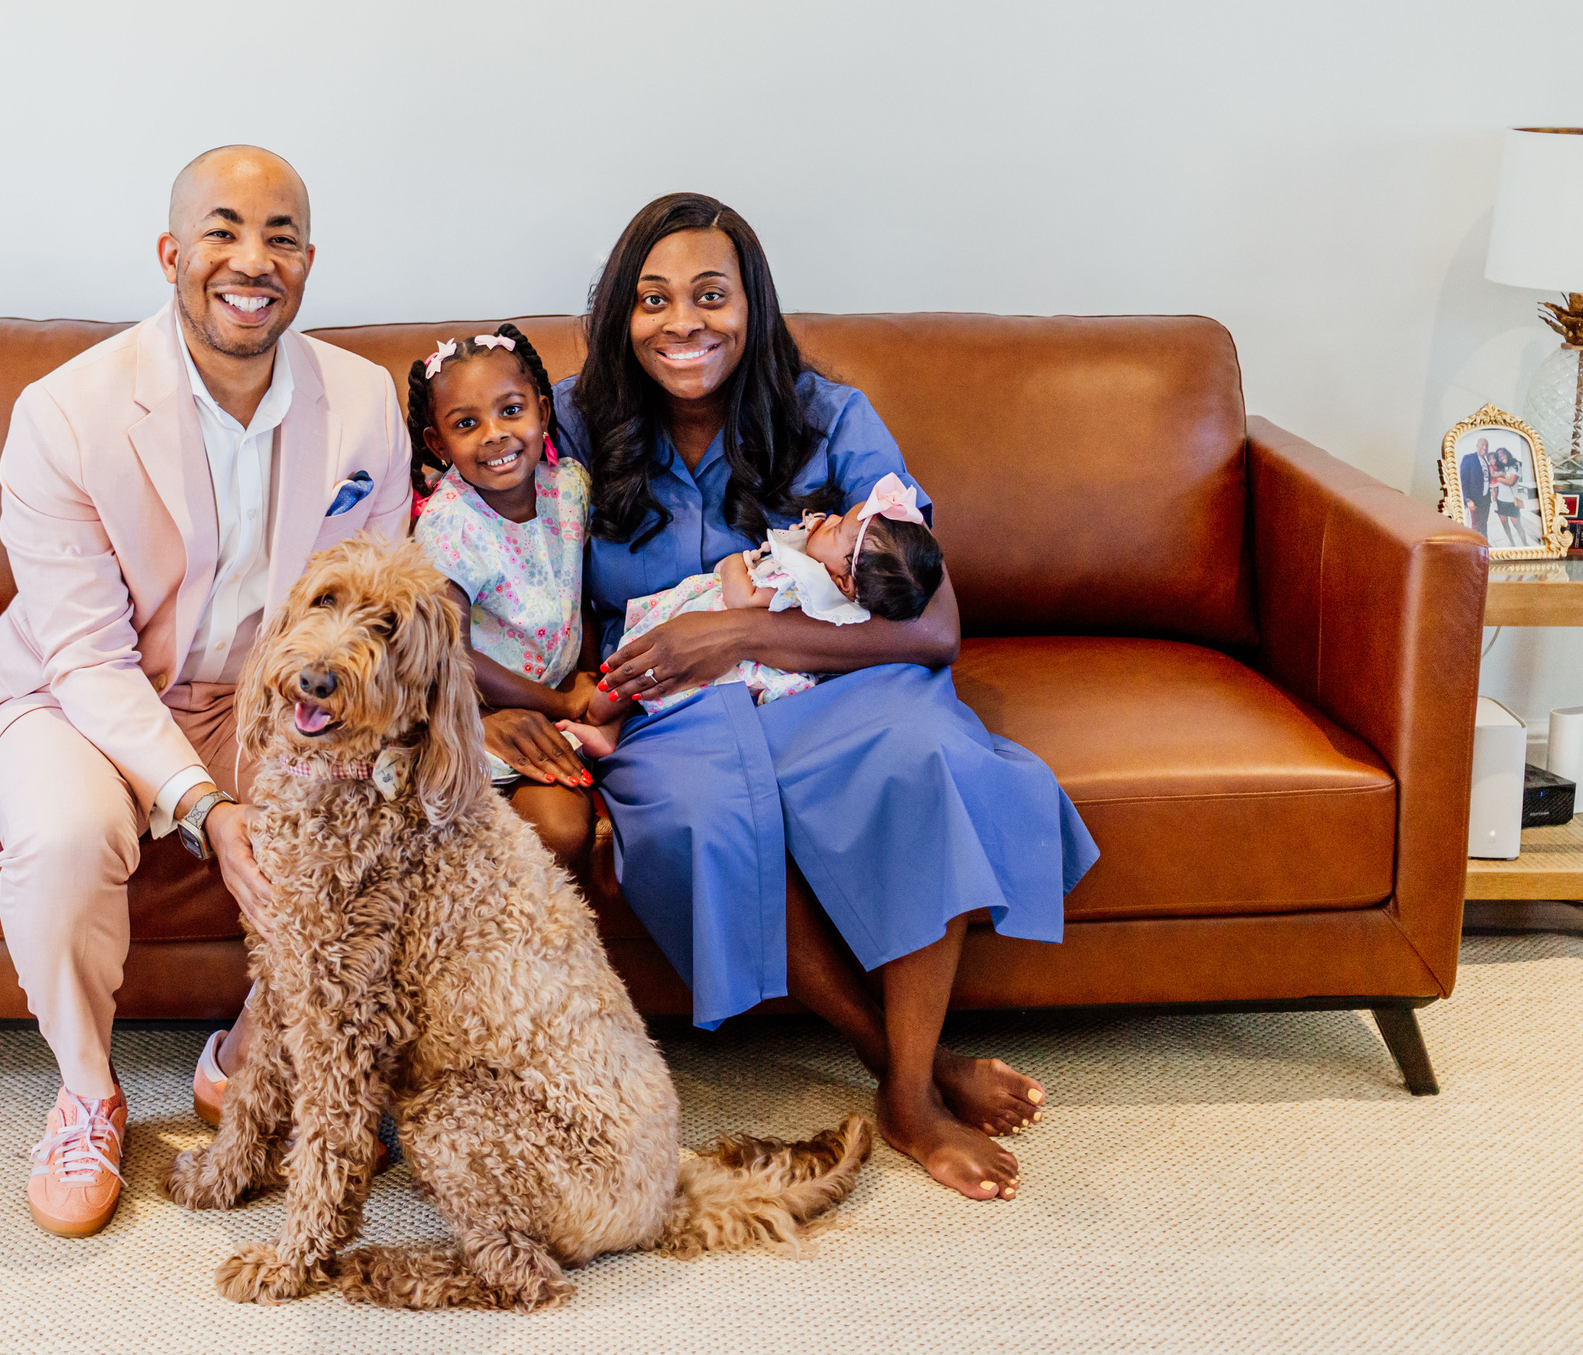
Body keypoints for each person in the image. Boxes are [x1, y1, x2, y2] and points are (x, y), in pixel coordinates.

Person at [554, 192, 1099, 1204]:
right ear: (620, 318)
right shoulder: (572, 421)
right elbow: (485, 543)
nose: (684, 323)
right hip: (672, 711)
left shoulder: (832, 417)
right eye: (654, 299)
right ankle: (904, 1066)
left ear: (752, 306)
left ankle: (909, 1092)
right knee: (692, 824)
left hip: (830, 678)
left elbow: (933, 624)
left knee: (923, 757)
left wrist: (739, 627)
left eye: (711, 295)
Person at [0, 145, 411, 1238]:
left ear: (308, 261)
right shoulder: (64, 414)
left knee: (363, 818)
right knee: (65, 833)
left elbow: (369, 605)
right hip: (75, 690)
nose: (253, 259)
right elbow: (88, 656)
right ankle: (87, 1095)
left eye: (281, 235)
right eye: (225, 229)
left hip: (271, 694)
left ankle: (245, 1056)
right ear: (172, 254)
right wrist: (204, 804)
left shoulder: (365, 403)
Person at [406, 325, 599, 862]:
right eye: (467, 424)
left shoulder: (569, 487)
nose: (494, 434)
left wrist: (587, 675)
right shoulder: (449, 525)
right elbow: (450, 654)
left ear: (541, 411)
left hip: (557, 704)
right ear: (438, 444)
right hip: (472, 711)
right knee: (544, 833)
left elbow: (575, 593)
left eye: (511, 411)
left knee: (564, 828)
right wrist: (561, 702)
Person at [573, 475, 943, 737]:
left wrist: (734, 562)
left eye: (834, 529)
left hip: (722, 670)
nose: (828, 518)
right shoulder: (842, 598)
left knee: (624, 681)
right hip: (730, 682)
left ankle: (596, 719)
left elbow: (743, 600)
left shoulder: (804, 585)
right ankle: (608, 728)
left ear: (846, 582)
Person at [1459, 438, 1495, 537]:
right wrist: (1468, 500)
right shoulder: (1468, 458)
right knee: (1476, 525)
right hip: (1474, 500)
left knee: (1484, 523)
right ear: (1477, 445)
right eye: (1482, 444)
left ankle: (1485, 544)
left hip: (1485, 500)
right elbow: (1463, 481)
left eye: (1487, 445)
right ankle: (1475, 548)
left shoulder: (1486, 461)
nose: (1485, 447)